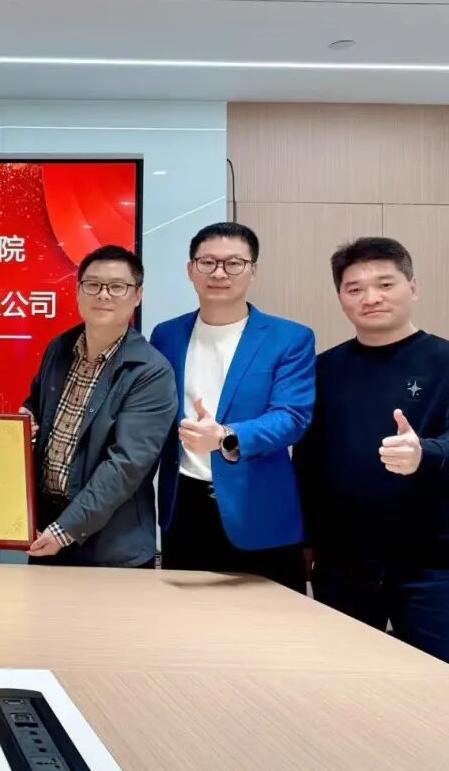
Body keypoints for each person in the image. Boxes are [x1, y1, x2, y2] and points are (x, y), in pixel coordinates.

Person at [296, 237, 449, 672]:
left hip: (429, 564)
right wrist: (307, 539)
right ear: (340, 297)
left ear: (413, 287)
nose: (371, 298)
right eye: (355, 288)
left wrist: (424, 453)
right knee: (345, 681)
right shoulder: (323, 370)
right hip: (342, 564)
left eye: (385, 284)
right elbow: (308, 463)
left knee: (443, 684)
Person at [150, 222, 315, 592]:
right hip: (184, 506)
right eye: (207, 262)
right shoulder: (166, 334)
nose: (219, 273)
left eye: (234, 263)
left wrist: (226, 436)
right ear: (191, 270)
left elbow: (292, 417)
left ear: (253, 270)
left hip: (258, 509)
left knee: (268, 620)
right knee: (185, 620)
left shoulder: (290, 338)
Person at [20, 245, 176, 568]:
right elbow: (36, 403)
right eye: (92, 284)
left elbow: (126, 465)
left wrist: (66, 529)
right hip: (45, 532)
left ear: (138, 295)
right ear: (78, 291)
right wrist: (25, 422)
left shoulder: (150, 371)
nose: (103, 295)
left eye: (117, 286)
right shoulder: (59, 348)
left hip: (111, 547)